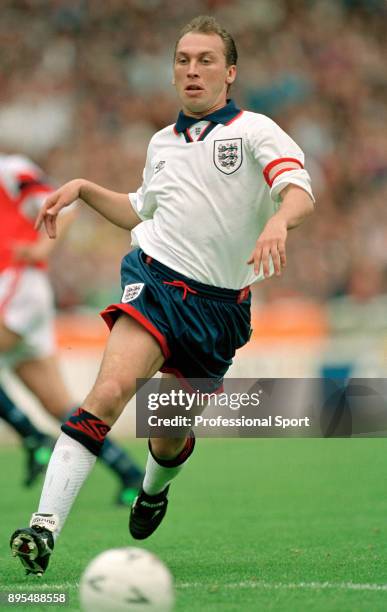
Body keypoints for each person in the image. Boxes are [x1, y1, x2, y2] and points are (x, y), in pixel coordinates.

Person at [10, 15, 314, 576]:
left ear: (230, 72)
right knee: (108, 392)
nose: (192, 70)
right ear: (173, 72)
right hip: (153, 280)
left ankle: (153, 489)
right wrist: (79, 188)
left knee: (167, 430)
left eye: (205, 61)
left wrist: (279, 223)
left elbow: (297, 191)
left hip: (218, 310)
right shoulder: (162, 143)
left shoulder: (254, 130)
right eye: (183, 60)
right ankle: (44, 527)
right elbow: (138, 208)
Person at [0, 153, 144, 503]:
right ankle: (129, 473)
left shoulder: (10, 169)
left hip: (18, 287)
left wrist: (40, 248)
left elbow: (63, 206)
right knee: (57, 403)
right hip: (17, 295)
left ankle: (32, 438)